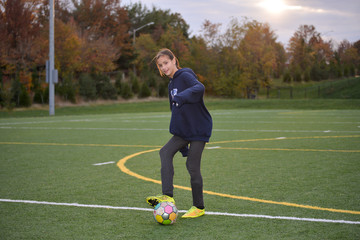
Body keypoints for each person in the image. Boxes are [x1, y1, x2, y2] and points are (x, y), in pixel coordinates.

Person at [146, 48, 213, 218]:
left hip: (198, 128)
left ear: (174, 60)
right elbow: (175, 113)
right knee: (165, 152)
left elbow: (199, 87)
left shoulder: (184, 75)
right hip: (184, 130)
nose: (164, 67)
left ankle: (199, 207)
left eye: (166, 63)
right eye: (160, 65)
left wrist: (182, 97)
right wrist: (182, 146)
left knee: (192, 165)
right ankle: (167, 197)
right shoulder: (171, 84)